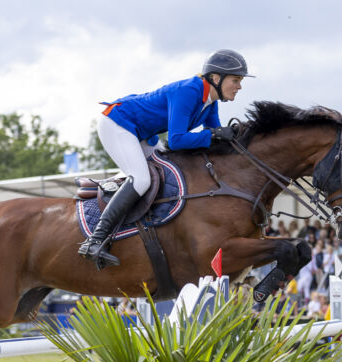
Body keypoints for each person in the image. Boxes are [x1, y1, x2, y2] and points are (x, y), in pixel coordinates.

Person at [78, 49, 254, 268]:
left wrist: (237, 138)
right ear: (216, 78)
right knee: (141, 180)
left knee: (166, 169)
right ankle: (95, 240)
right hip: (118, 123)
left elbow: (214, 135)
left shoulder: (210, 101)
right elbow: (177, 140)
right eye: (236, 80)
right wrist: (215, 134)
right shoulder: (190, 91)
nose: (239, 86)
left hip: (142, 134)